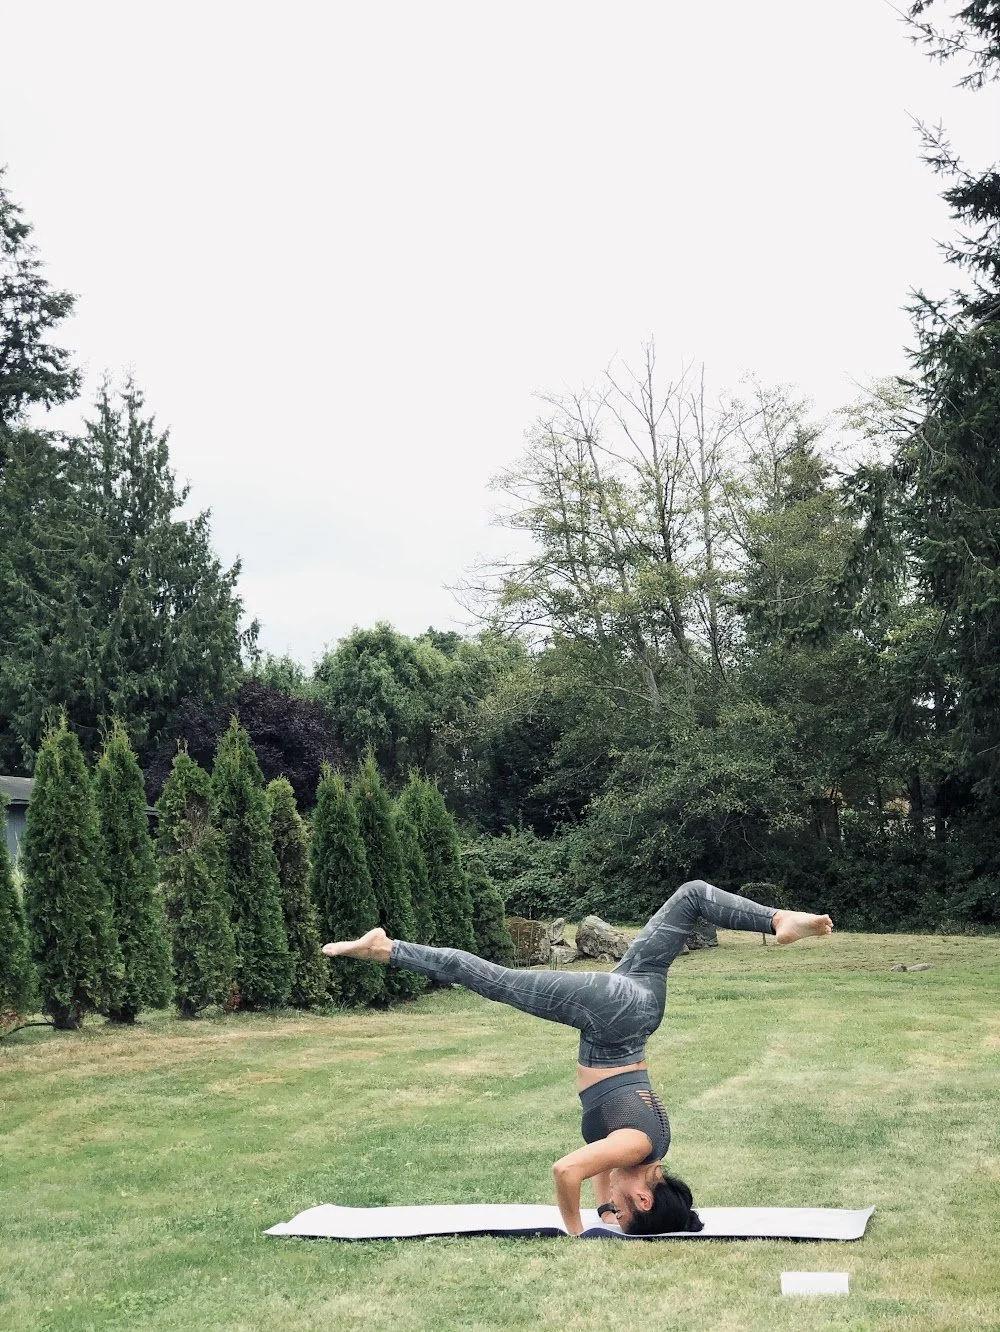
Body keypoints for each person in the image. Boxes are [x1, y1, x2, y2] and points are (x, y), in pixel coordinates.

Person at [323, 879, 833, 1237]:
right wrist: (575, 1233)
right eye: (619, 1210)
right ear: (644, 1199)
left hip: (639, 1002)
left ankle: (776, 918)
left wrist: (606, 1215)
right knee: (494, 980)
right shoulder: (636, 1144)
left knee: (692, 897)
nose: (607, 1203)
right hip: (614, 1015)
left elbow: (596, 1179)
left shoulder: (639, 1153)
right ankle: (387, 949)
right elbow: (567, 1171)